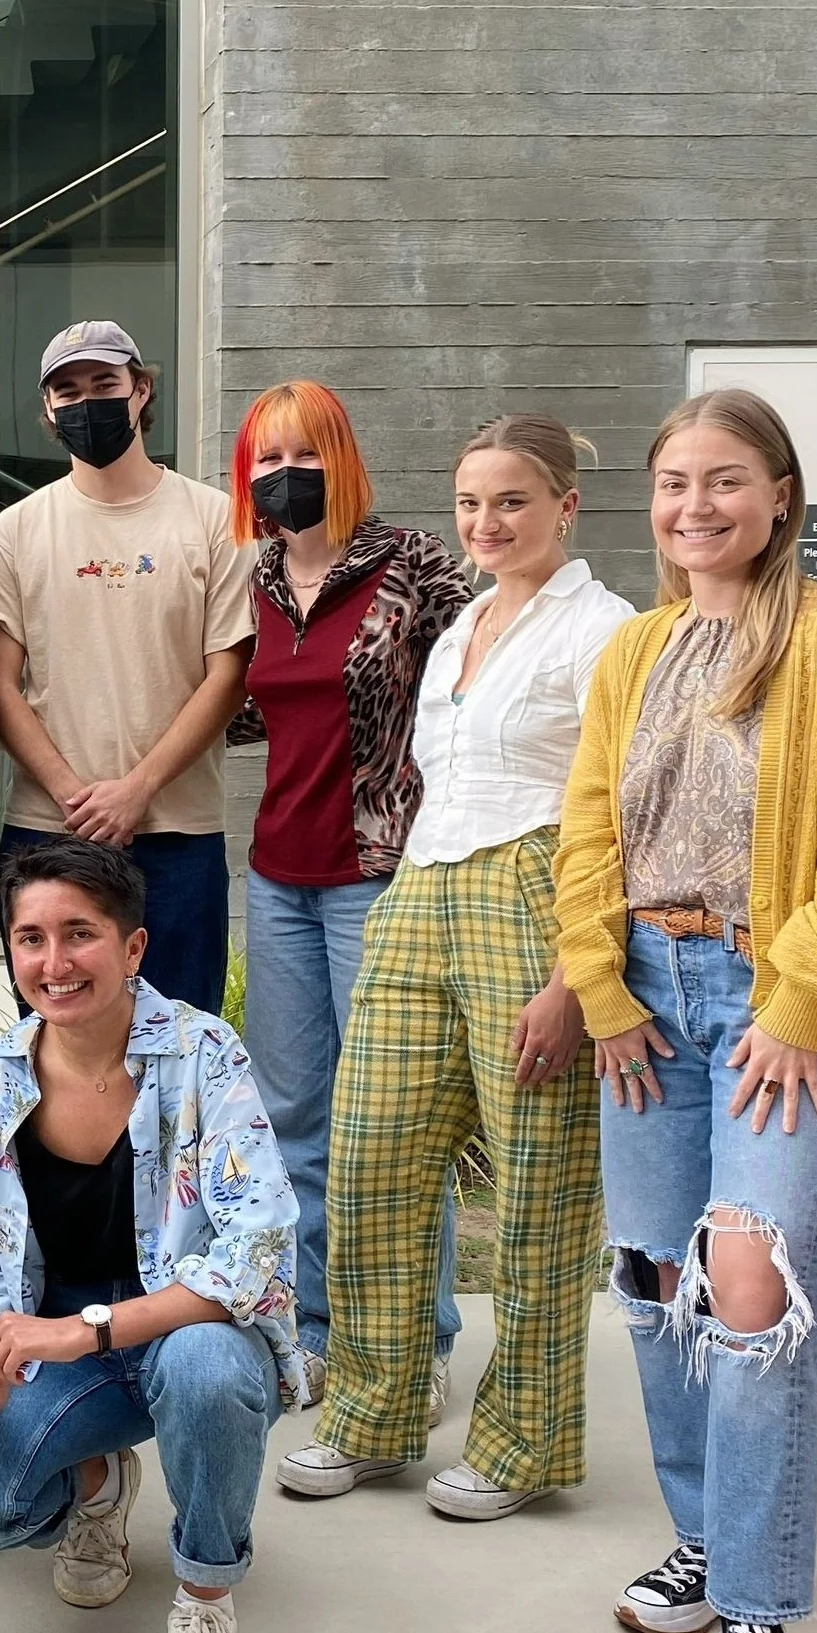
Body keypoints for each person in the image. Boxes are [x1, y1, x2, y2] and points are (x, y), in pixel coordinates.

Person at [555, 388, 817, 1633]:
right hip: (647, 995)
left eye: (723, 481)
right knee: (653, 1280)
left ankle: (758, 1609)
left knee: (749, 1283)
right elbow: (588, 832)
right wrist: (599, 988)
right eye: (669, 483)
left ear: (780, 496)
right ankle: (705, 1537)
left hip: (780, 999)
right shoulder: (637, 648)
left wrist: (799, 1000)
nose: (693, 507)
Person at [277, 414, 633, 1515]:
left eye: (512, 500)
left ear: (565, 506)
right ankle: (376, 1409)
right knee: (370, 1152)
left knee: (536, 1184)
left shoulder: (606, 627)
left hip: (533, 892)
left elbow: (621, 808)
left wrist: (579, 978)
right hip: (418, 889)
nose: (486, 521)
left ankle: (522, 1440)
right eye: (471, 501)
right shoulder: (460, 619)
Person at [0, 839, 300, 1633]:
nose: (54, 963)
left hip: (181, 1332)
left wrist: (86, 1333)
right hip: (61, 1347)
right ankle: (95, 1479)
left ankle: (204, 1602)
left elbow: (256, 1246)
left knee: (205, 1370)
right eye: (29, 938)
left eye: (79, 935)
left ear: (131, 949)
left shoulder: (203, 1051)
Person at [225, 378, 473, 1409]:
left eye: (304, 451)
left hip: (378, 873)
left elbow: (477, 697)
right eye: (266, 457)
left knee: (394, 1117)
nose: (285, 472)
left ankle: (418, 1331)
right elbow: (233, 711)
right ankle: (321, 1328)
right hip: (279, 872)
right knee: (294, 1117)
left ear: (342, 453)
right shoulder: (253, 580)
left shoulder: (414, 568)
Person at [0, 321, 253, 1015]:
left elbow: (227, 674)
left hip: (177, 832)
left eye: (104, 384)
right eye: (65, 391)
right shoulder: (15, 532)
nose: (86, 403)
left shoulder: (215, 520)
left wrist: (137, 788)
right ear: (47, 410)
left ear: (141, 389)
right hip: (48, 829)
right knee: (55, 1042)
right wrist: (75, 793)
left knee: (182, 1042)